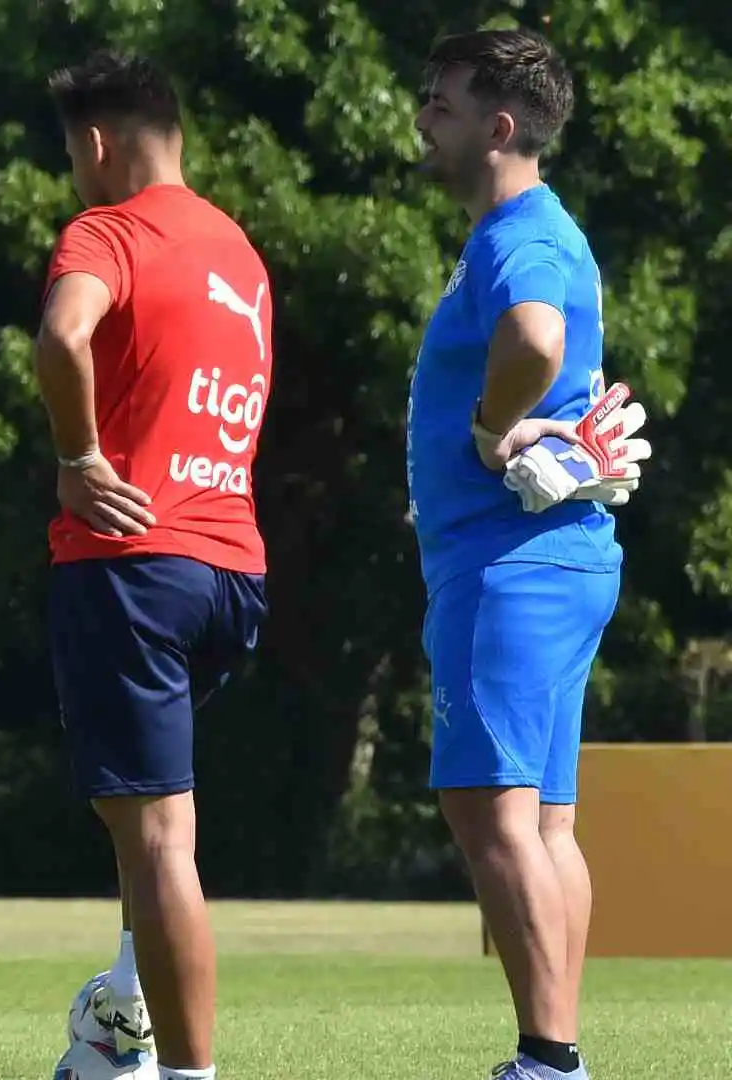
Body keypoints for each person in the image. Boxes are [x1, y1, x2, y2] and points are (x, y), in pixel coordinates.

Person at [409, 27, 651, 1080]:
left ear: (500, 127)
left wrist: (487, 427)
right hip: (549, 561)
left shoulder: (522, 236)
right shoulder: (524, 232)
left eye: (444, 102)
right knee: (546, 824)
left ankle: (549, 1060)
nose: (425, 117)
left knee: (490, 809)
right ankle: (556, 1056)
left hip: (510, 563)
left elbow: (538, 339)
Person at [34, 50, 275, 1080]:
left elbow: (63, 337)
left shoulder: (107, 231)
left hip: (133, 565)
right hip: (232, 575)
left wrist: (78, 457)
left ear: (96, 143)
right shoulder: (239, 252)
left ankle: (184, 1072)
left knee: (160, 836)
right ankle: (122, 1019)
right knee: (145, 825)